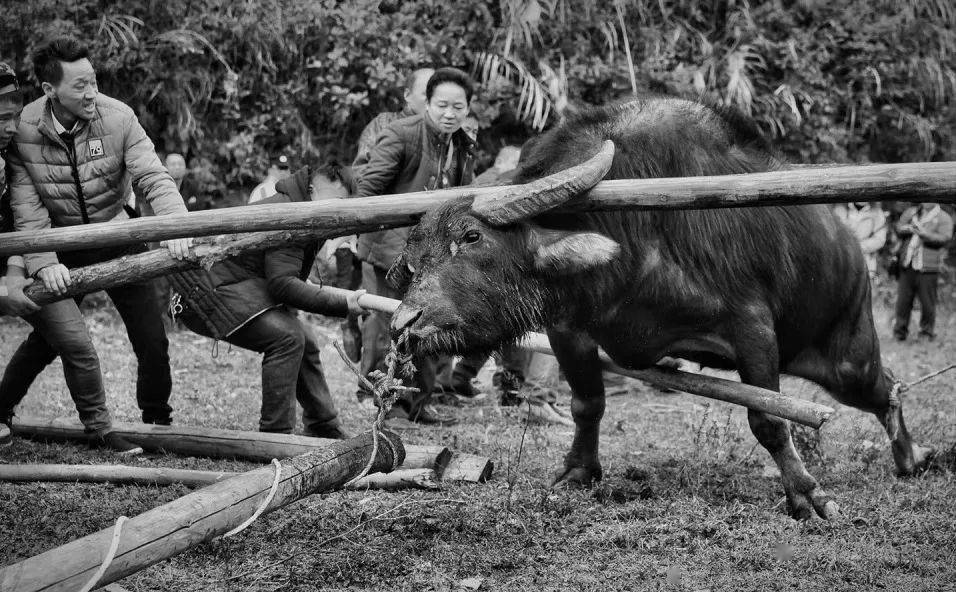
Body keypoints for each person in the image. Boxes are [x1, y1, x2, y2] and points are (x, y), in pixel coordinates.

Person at [0, 37, 192, 454]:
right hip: (61, 244)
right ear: (51, 90)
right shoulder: (25, 129)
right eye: (80, 86)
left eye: (94, 82)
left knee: (152, 339)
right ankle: (2, 408)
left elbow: (152, 177)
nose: (92, 93)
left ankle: (157, 420)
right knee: (49, 340)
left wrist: (177, 225)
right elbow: (26, 208)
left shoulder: (118, 116)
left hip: (119, 237)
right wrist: (43, 260)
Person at [167, 163, 364, 438]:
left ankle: (323, 425)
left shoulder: (304, 207)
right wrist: (342, 305)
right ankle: (275, 436)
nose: (339, 211)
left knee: (304, 337)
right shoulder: (292, 214)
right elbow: (282, 284)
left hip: (236, 287)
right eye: (337, 202)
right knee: (289, 337)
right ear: (312, 190)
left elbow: (280, 269)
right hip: (206, 292)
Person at [352, 67, 476, 426]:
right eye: (442, 105)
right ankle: (383, 404)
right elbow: (367, 190)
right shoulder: (400, 134)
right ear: (427, 103)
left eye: (458, 106)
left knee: (428, 327)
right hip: (389, 251)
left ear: (467, 108)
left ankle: (418, 405)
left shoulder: (463, 145)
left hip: (434, 257)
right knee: (389, 325)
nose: (449, 113)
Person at [0, 62, 41, 447]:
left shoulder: (10, 156)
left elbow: (17, 218)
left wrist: (13, 273)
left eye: (15, 117)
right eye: (2, 118)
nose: (12, 127)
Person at [352, 67, 434, 172]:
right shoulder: (383, 124)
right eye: (427, 94)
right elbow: (360, 171)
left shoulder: (448, 129)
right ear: (408, 95)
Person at [892, 201, 954, 341]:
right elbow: (899, 227)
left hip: (928, 267)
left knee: (927, 303)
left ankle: (926, 334)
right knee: (902, 302)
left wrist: (924, 234)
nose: (926, 201)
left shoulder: (944, 217)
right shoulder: (912, 212)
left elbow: (945, 238)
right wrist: (909, 229)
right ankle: (899, 333)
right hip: (907, 264)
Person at [833, 201, 886, 279]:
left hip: (865, 263)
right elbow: (834, 233)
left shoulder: (877, 212)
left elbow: (880, 239)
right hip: (842, 261)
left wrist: (857, 246)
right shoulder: (840, 208)